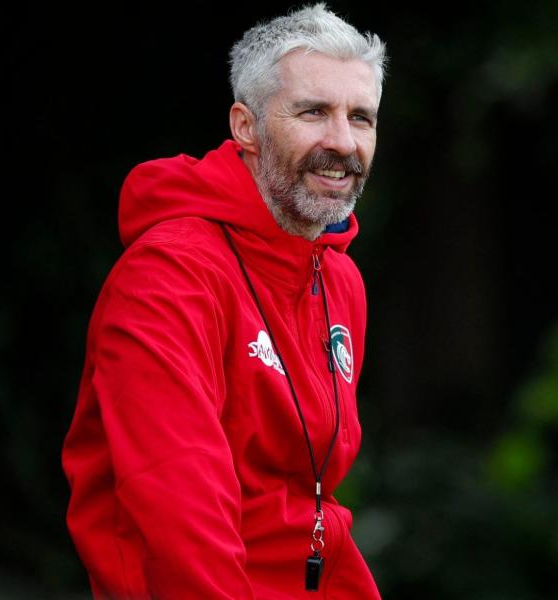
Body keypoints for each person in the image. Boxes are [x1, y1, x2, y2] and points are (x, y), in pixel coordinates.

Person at [61, 4, 387, 598]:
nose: (342, 142)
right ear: (246, 127)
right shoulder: (169, 275)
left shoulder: (339, 280)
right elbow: (177, 514)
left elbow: (312, 499)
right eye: (313, 112)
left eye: (360, 118)